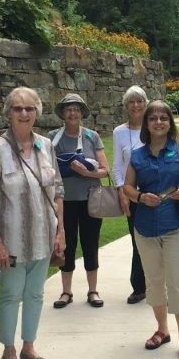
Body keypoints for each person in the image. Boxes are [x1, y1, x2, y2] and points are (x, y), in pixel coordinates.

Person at [0, 87, 65, 359]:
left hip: (43, 237)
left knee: (36, 294)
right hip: (11, 241)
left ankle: (29, 347)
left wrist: (60, 232)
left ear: (37, 112)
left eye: (29, 108)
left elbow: (58, 192)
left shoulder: (46, 146)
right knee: (11, 295)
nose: (24, 113)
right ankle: (9, 351)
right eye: (18, 108)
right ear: (8, 113)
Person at [122, 100, 179, 359]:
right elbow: (127, 188)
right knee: (154, 281)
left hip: (175, 225)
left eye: (163, 118)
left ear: (170, 122)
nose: (158, 122)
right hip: (145, 228)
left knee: (177, 281)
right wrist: (140, 196)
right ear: (146, 123)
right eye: (153, 118)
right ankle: (162, 330)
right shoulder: (137, 155)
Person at [49, 93, 110, 309]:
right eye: (68, 109)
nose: (72, 113)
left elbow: (105, 170)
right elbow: (46, 168)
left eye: (76, 109)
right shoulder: (53, 138)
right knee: (66, 244)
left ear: (82, 113)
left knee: (90, 243)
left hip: (90, 199)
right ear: (63, 114)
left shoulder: (92, 136)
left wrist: (86, 172)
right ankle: (66, 291)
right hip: (63, 201)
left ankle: (93, 290)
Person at [112, 86, 148, 304]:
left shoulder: (154, 126)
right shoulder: (119, 132)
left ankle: (160, 285)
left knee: (160, 241)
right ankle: (139, 286)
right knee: (138, 242)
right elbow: (117, 166)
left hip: (155, 191)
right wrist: (121, 191)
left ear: (145, 103)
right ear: (126, 106)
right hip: (131, 193)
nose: (136, 105)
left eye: (140, 101)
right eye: (131, 102)